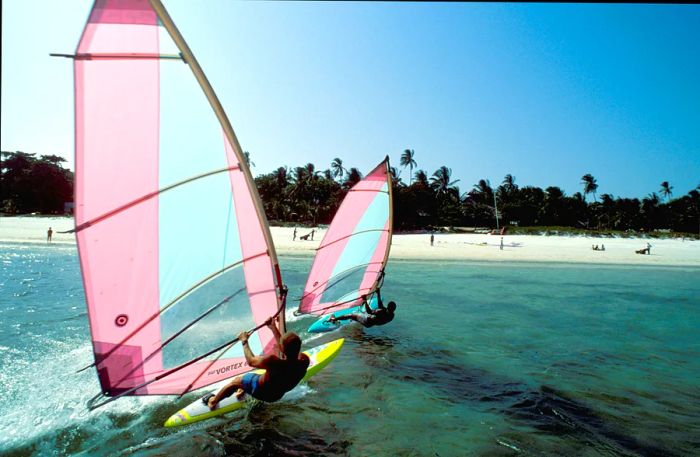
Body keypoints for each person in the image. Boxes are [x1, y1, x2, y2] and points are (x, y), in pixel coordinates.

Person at [207, 317, 310, 409]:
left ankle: (213, 401)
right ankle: (243, 390)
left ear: (282, 348)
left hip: (259, 391)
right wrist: (273, 327)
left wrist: (244, 341)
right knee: (265, 376)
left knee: (235, 382)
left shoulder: (273, 362)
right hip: (276, 396)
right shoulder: (304, 361)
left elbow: (251, 361)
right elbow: (287, 349)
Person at [328, 289, 396, 328]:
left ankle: (333, 319)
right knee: (364, 314)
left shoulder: (380, 311)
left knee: (351, 315)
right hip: (371, 324)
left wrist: (365, 300)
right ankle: (357, 319)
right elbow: (381, 306)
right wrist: (378, 293)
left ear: (387, 307)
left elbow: (369, 311)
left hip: (366, 321)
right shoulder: (392, 315)